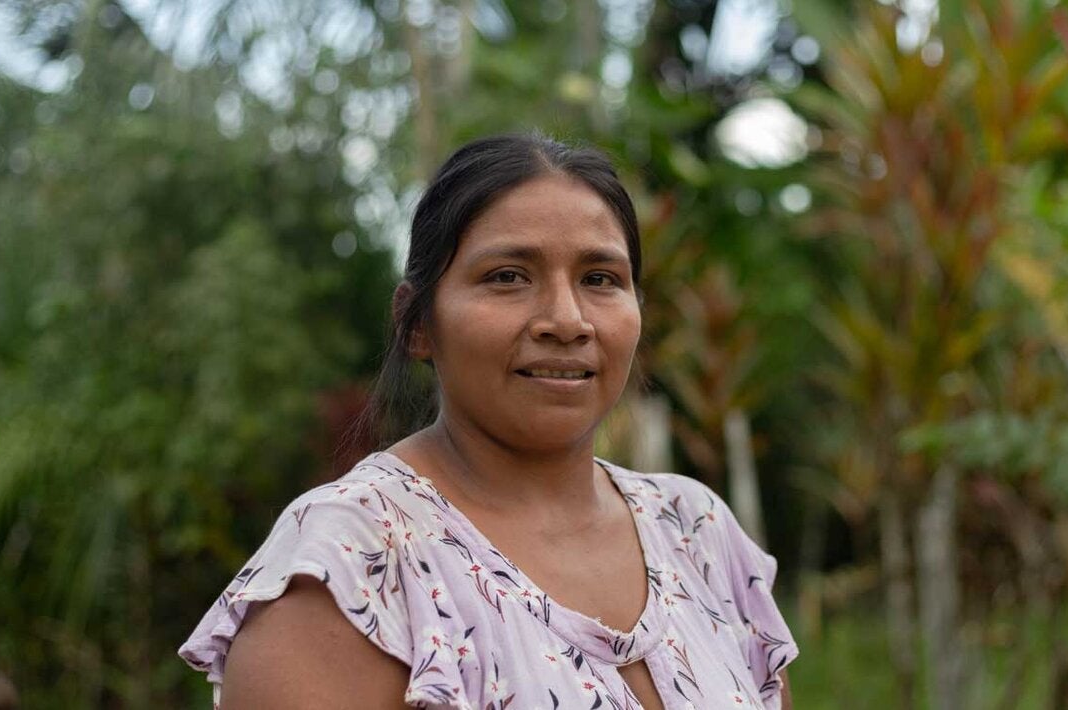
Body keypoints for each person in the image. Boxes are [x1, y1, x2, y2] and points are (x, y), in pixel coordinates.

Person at [179, 134, 798, 709]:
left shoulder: (697, 533)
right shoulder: (352, 566)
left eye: (600, 278)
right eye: (508, 277)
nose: (566, 318)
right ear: (417, 323)